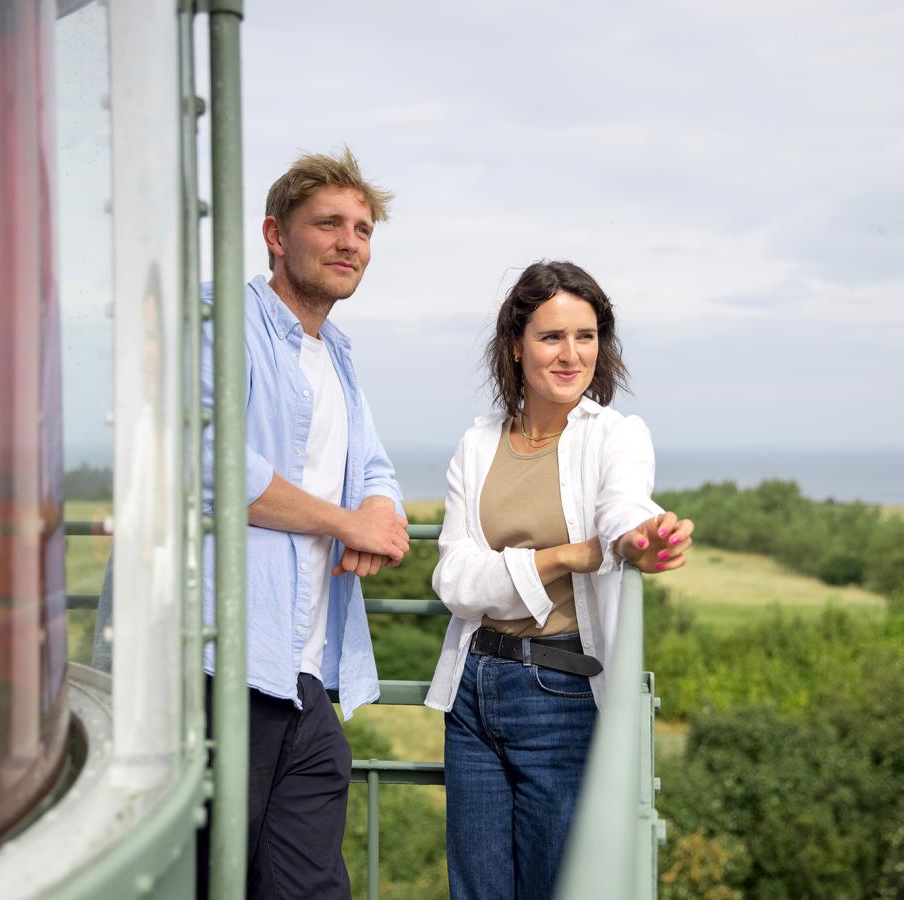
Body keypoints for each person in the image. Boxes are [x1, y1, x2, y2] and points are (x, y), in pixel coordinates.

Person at [423, 260, 693, 900]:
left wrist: (635, 540)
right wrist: (565, 557)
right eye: (551, 337)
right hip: (471, 689)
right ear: (516, 346)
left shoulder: (616, 437)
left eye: (587, 335)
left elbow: (623, 509)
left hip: (560, 691)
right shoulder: (477, 442)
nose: (572, 355)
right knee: (477, 892)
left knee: (558, 888)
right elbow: (454, 579)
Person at [197, 148, 410, 900]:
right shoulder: (220, 318)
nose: (350, 241)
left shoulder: (337, 354)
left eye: (362, 228)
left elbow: (376, 471)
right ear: (275, 235)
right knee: (206, 879)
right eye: (328, 223)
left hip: (305, 674)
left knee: (309, 887)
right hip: (220, 667)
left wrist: (376, 513)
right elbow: (212, 468)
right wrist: (347, 523)